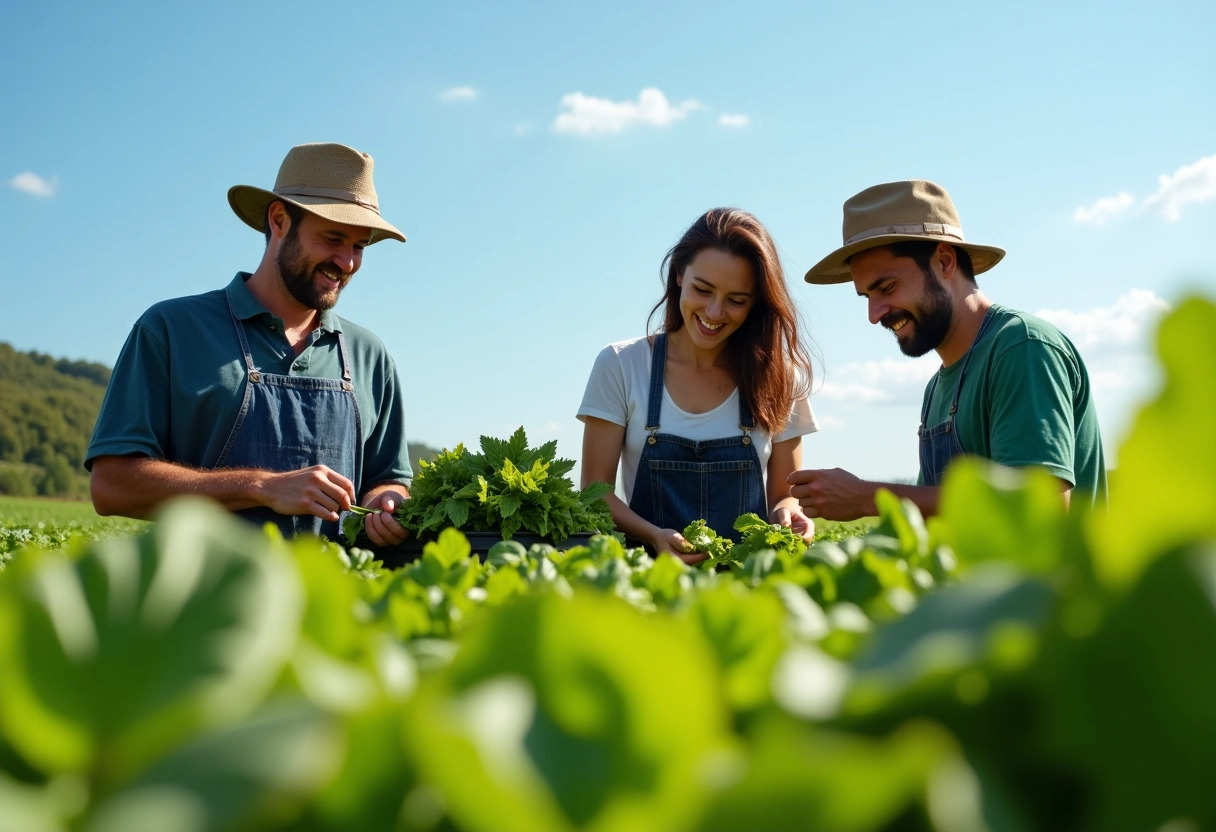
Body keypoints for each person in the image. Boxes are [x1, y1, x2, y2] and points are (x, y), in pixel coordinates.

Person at [87, 142, 412, 545]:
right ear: (279, 221)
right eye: (332, 238)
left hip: (338, 602)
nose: (346, 262)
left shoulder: (370, 355)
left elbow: (388, 479)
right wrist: (260, 486)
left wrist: (388, 503)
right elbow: (112, 486)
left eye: (359, 246)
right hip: (206, 602)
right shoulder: (171, 329)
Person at [790, 179, 1106, 520]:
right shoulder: (937, 388)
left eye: (887, 287)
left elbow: (1038, 506)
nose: (874, 314)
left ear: (944, 261)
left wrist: (870, 498)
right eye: (868, 296)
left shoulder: (1022, 347)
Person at [578, 208, 820, 563]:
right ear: (678, 274)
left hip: (747, 586)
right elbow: (595, 493)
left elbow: (784, 493)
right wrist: (653, 536)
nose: (714, 312)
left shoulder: (780, 376)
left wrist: (789, 513)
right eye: (702, 290)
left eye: (736, 300)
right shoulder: (621, 364)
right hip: (648, 582)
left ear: (755, 304)